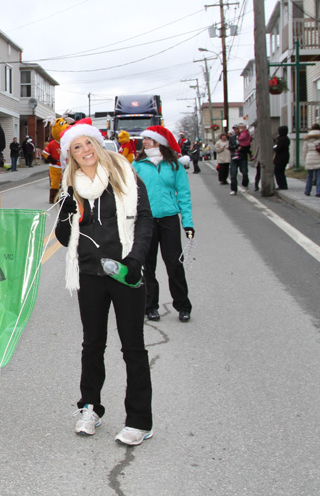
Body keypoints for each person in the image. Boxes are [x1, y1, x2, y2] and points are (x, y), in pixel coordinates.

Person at [53, 121, 154, 447]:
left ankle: (139, 420)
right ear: (70, 155)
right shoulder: (70, 185)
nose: (85, 151)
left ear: (99, 144)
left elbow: (145, 219)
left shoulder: (125, 174)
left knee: (133, 348)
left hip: (125, 271)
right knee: (92, 345)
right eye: (77, 148)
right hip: (90, 273)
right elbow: (64, 237)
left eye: (88, 144)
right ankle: (90, 407)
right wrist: (66, 215)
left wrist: (136, 261)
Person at [133, 126, 194, 323]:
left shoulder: (174, 165)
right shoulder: (138, 165)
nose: (146, 142)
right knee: (147, 265)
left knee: (174, 264)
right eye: (145, 139)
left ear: (161, 142)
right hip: (146, 220)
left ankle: (183, 306)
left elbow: (183, 194)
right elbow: (129, 193)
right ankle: (150, 306)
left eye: (150, 139)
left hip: (169, 220)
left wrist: (188, 223)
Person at [302, 124, 320, 197]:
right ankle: (318, 192)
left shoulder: (307, 138)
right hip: (319, 157)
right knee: (319, 175)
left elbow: (304, 150)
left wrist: (305, 158)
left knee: (309, 175)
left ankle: (307, 191)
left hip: (309, 157)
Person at [229, 124, 251, 195]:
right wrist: (236, 147)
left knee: (244, 172)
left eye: (237, 129)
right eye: (235, 129)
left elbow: (248, 146)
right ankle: (234, 189)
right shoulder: (232, 137)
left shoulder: (244, 136)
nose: (236, 131)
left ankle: (245, 185)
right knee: (233, 174)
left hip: (242, 157)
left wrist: (242, 148)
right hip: (234, 157)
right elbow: (230, 147)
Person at [273, 125, 291, 190]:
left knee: (277, 171)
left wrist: (274, 147)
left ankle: (281, 185)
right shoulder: (286, 138)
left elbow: (278, 148)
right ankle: (283, 184)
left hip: (281, 157)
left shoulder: (282, 139)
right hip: (285, 156)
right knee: (281, 171)